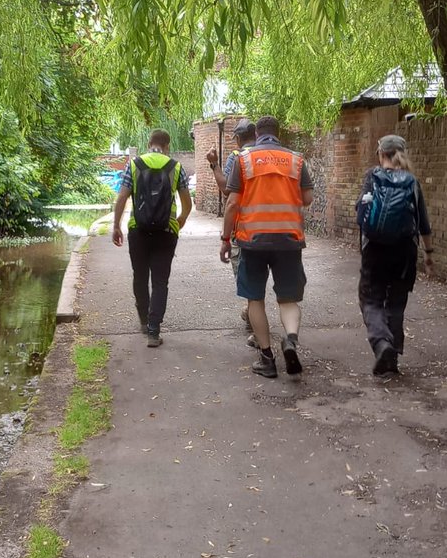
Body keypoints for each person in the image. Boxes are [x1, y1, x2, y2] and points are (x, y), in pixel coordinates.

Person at [219, 115, 314, 378]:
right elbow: (307, 198)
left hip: (253, 240)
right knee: (288, 298)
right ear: (278, 132)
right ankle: (291, 340)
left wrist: (226, 239)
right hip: (289, 239)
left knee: (255, 298)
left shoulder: (244, 159)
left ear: (257, 134)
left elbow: (232, 204)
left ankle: (267, 358)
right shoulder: (296, 159)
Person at [355, 134, 433, 376]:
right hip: (405, 251)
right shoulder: (412, 182)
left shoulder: (372, 176)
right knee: (396, 303)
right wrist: (429, 254)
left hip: (375, 249)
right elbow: (423, 223)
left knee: (371, 299)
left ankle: (382, 344)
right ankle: (392, 358)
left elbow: (361, 212)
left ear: (381, 154)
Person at [112, 129, 193, 348]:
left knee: (140, 276)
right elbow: (187, 202)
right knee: (160, 281)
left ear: (149, 144)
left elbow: (122, 197)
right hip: (166, 232)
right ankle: (154, 332)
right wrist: (181, 220)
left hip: (138, 230)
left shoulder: (135, 164)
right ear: (167, 145)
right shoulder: (176, 167)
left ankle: (144, 321)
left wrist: (116, 226)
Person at [205, 119, 256, 332]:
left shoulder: (238, 157)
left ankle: (253, 315)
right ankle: (253, 312)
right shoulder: (267, 156)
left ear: (237, 138)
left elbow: (227, 189)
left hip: (243, 226)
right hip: (272, 224)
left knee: (245, 274)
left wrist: (214, 164)